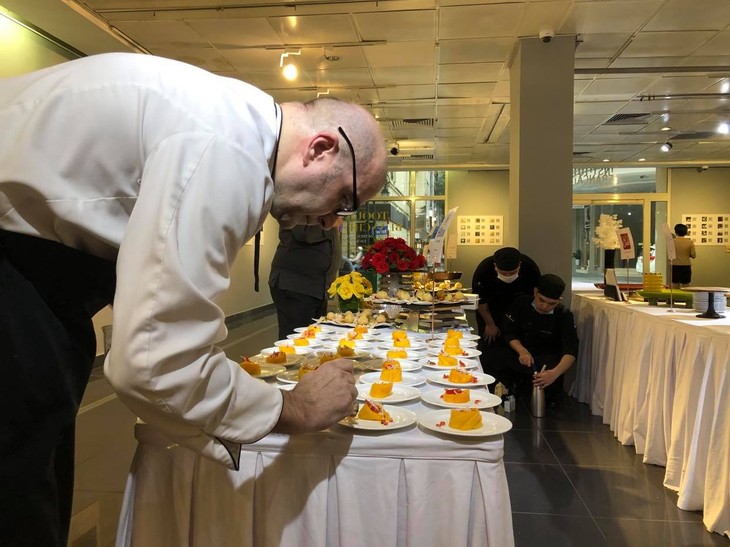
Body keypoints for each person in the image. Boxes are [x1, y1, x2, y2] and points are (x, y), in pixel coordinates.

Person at [0, 52, 386, 547]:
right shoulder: (229, 149)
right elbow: (156, 362)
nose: (333, 222)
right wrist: (294, 408)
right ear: (320, 149)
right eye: (344, 202)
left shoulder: (231, 121)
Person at [499, 274, 579, 406]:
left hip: (548, 363)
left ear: (559, 300)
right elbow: (509, 332)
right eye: (541, 300)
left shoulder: (564, 315)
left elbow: (571, 350)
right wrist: (522, 351)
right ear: (535, 292)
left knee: (548, 401)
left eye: (551, 303)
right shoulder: (521, 303)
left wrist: (554, 373)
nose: (545, 306)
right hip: (520, 355)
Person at [471, 247, 541, 380]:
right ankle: (491, 381)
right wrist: (490, 324)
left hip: (519, 309)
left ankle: (516, 385)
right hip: (491, 310)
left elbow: (535, 296)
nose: (508, 276)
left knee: (518, 345)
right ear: (495, 266)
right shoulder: (484, 268)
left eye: (512, 273)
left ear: (519, 265)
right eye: (503, 273)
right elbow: (481, 301)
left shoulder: (530, 267)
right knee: (491, 348)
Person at [269, 223, 341, 339]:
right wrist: (332, 222)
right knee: (296, 342)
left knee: (313, 340)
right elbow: (305, 234)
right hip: (297, 285)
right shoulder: (299, 205)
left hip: (316, 286)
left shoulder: (323, 211)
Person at [672, 223, 696, 288]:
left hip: (675, 265)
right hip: (686, 265)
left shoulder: (672, 242)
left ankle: (676, 298)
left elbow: (670, 254)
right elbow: (693, 255)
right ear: (685, 232)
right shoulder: (690, 242)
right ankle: (685, 298)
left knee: (675, 284)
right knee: (686, 285)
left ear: (676, 232)